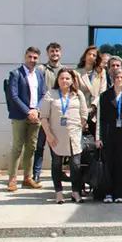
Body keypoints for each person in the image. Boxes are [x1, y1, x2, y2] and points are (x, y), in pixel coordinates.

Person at [38, 67, 86, 204]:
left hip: (74, 135)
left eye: (67, 78)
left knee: (75, 165)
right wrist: (49, 135)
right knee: (57, 164)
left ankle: (75, 191)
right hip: (56, 136)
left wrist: (79, 127)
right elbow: (43, 117)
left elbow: (84, 114)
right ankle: (58, 192)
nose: (64, 81)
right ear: (57, 80)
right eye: (62, 78)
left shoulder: (78, 94)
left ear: (72, 80)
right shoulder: (50, 94)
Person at [6, 47, 47, 192]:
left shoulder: (39, 75)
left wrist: (36, 110)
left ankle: (27, 178)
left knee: (31, 147)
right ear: (25, 57)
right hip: (20, 115)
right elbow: (13, 96)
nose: (32, 60)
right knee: (17, 147)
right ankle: (12, 179)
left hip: (35, 116)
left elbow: (43, 94)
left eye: (35, 57)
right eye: (30, 57)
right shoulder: (15, 74)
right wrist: (28, 111)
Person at [96, 67, 122, 203]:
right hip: (108, 133)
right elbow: (100, 118)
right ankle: (108, 193)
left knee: (121, 164)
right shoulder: (104, 96)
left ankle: (119, 193)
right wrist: (99, 138)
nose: (119, 80)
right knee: (108, 164)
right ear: (113, 79)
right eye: (117, 77)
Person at [34, 42, 64, 184]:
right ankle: (36, 174)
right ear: (48, 53)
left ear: (60, 53)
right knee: (39, 145)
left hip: (58, 113)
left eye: (57, 51)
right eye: (52, 51)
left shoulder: (64, 70)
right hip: (43, 112)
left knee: (57, 146)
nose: (55, 54)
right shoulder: (41, 69)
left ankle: (58, 173)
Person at [76, 45, 108, 127]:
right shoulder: (77, 72)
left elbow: (102, 92)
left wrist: (93, 106)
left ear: (96, 59)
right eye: (89, 54)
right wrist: (84, 109)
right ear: (85, 56)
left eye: (94, 55)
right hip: (81, 111)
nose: (91, 56)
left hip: (96, 111)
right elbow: (76, 92)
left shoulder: (101, 72)